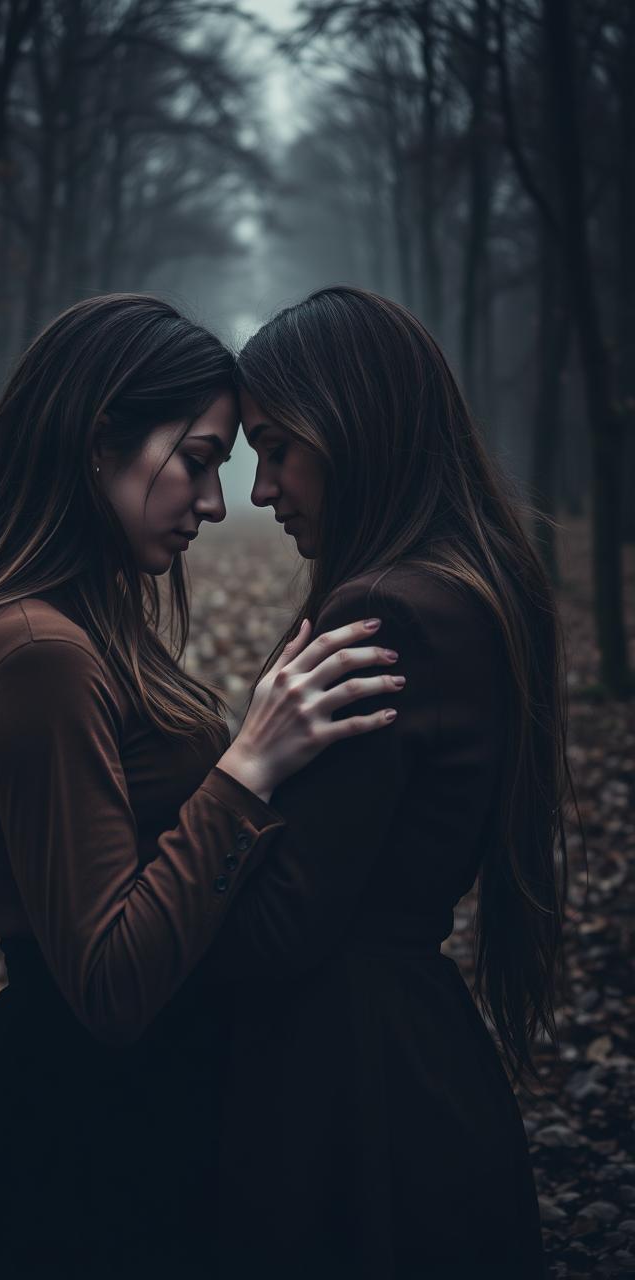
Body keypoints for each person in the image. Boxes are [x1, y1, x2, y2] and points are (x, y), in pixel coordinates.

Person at [0, 294, 405, 1279]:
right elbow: (111, 983)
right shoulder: (41, 654)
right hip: (76, 1151)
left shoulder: (62, 629)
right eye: (197, 459)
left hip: (103, 1122)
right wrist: (249, 766)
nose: (213, 503)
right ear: (96, 443)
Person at [195, 285, 572, 1280]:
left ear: (351, 422)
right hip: (406, 1056)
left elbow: (279, 927)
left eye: (277, 447)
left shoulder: (383, 613)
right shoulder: (470, 583)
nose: (263, 488)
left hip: (344, 1095)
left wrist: (199, 809)